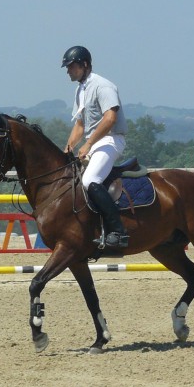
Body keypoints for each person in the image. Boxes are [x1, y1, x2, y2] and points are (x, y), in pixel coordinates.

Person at [62, 45, 130, 249]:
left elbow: (110, 119)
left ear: (84, 65)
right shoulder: (80, 90)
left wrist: (88, 144)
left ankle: (118, 231)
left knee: (90, 179)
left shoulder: (103, 86)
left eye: (71, 66)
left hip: (110, 139)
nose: (68, 71)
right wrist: (67, 149)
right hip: (93, 142)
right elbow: (80, 124)